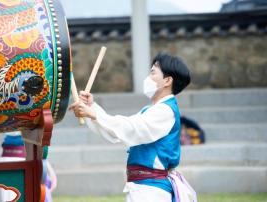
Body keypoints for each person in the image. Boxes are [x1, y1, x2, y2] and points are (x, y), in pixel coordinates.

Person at [69, 53, 197, 202]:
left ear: (167, 80)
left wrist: (94, 114)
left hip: (152, 191)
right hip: (144, 188)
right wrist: (92, 109)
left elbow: (131, 128)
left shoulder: (165, 111)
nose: (148, 77)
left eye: (153, 72)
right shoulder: (151, 110)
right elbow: (119, 133)